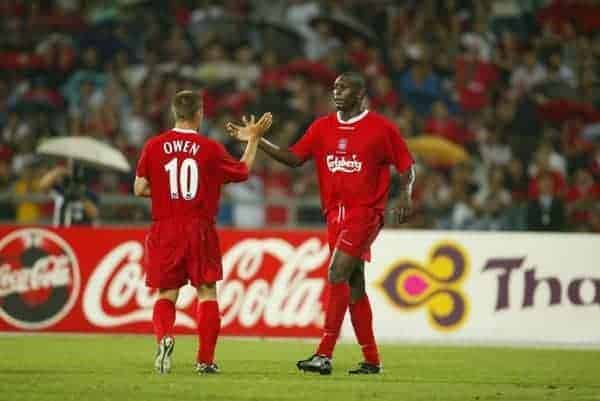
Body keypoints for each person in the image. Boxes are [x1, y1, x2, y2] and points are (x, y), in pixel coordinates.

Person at [227, 72, 415, 375]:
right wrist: (257, 140)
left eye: (344, 87)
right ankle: (372, 359)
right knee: (354, 285)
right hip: (334, 214)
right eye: (335, 87)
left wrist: (405, 195)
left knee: (336, 272)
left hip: (364, 213)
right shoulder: (323, 126)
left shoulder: (381, 129)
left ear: (361, 94)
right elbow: (293, 158)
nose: (337, 91)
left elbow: (407, 164)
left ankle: (324, 353)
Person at [134, 90, 272, 374]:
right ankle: (205, 361)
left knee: (166, 292)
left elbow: (139, 188)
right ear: (199, 114)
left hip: (165, 227)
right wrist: (254, 138)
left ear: (174, 113)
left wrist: (167, 195)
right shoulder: (209, 148)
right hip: (199, 227)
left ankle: (165, 338)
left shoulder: (153, 146)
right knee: (206, 291)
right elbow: (243, 170)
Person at [39, 162, 99, 227]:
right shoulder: (61, 190)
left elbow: (93, 214)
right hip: (61, 230)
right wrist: (58, 171)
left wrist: (81, 197)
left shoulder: (90, 194)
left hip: (81, 232)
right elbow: (43, 185)